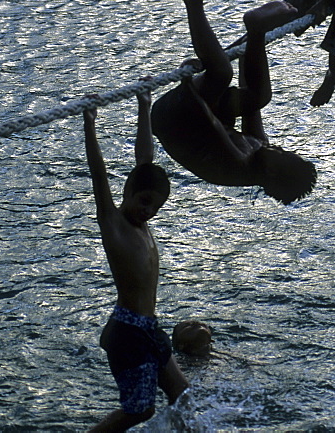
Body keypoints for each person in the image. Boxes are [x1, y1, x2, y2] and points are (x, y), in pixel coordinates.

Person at [151, 0, 317, 204]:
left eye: (281, 154)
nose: (279, 147)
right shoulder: (260, 149)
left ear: (271, 173)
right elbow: (251, 102)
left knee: (220, 73)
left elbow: (209, 123)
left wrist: (187, 82)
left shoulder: (236, 164)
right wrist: (252, 46)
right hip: (200, 115)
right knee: (260, 97)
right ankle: (256, 29)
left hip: (174, 118)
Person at [84, 88, 189, 431]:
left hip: (148, 327)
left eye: (156, 208)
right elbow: (99, 175)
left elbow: (145, 160)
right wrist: (89, 123)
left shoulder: (143, 223)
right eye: (144, 202)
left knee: (182, 393)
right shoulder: (114, 224)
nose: (149, 212)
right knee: (140, 411)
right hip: (127, 332)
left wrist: (144, 104)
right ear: (127, 191)